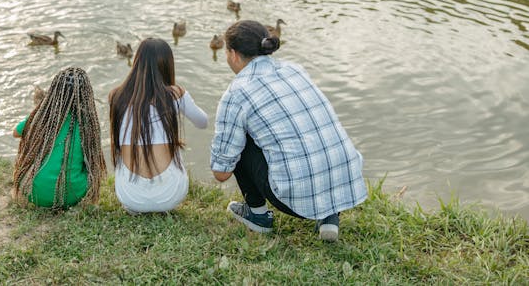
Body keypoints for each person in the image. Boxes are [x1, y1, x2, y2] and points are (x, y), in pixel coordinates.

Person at [210, 20, 367, 242]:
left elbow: (221, 173)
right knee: (308, 129)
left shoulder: (237, 93)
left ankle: (258, 215)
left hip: (294, 199)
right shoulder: (295, 69)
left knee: (240, 137)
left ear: (233, 54)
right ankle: (329, 216)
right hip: (345, 183)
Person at [109, 37, 208, 213]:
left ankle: (138, 204)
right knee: (174, 143)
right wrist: (182, 99)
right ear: (167, 65)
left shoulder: (117, 95)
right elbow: (203, 122)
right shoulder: (175, 94)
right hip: (170, 196)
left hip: (130, 197)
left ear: (136, 62)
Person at [12, 66, 106, 209]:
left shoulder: (40, 117)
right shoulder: (88, 125)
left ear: (54, 92)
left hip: (32, 192)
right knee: (92, 160)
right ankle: (83, 196)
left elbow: (16, 133)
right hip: (72, 196)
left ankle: (24, 188)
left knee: (27, 149)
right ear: (86, 94)